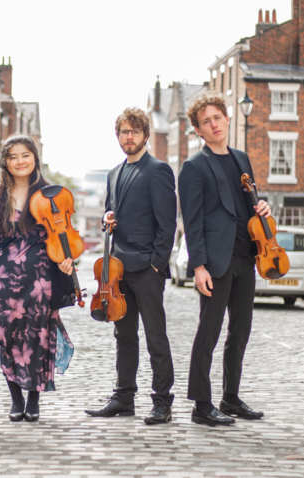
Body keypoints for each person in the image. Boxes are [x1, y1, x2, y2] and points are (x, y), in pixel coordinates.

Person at [178, 91, 271, 426]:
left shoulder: (242, 159)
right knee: (209, 332)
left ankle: (230, 397)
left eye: (218, 117)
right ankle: (201, 405)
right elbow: (192, 221)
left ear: (227, 119)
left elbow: (246, 206)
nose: (214, 124)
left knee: (241, 330)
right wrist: (198, 265)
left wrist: (262, 208)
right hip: (216, 262)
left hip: (246, 257)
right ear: (198, 130)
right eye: (206, 121)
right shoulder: (194, 166)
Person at [85, 107, 177, 425]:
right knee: (124, 337)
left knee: (155, 337)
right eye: (124, 131)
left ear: (145, 135)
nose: (129, 136)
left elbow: (168, 225)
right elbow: (112, 216)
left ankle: (162, 402)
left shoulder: (159, 170)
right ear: (118, 136)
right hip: (119, 272)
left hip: (147, 271)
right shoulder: (114, 173)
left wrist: (156, 265)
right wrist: (106, 219)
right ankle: (124, 398)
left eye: (135, 131)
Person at [0, 135, 76, 422]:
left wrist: (68, 260)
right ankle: (16, 398)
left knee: (38, 338)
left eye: (25, 155)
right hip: (3, 280)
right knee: (8, 339)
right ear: (5, 162)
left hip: (41, 280)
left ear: (35, 158)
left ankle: (34, 398)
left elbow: (64, 236)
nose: (20, 161)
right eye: (13, 156)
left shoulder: (51, 194)